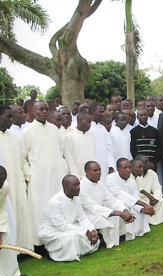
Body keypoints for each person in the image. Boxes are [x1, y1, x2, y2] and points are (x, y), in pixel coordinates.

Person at [20, 101, 65, 248]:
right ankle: (40, 243)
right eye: (41, 109)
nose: (44, 112)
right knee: (38, 208)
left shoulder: (54, 129)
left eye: (46, 109)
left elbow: (60, 151)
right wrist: (30, 175)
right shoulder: (28, 131)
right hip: (38, 178)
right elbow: (22, 158)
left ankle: (59, 238)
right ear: (33, 111)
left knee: (57, 206)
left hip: (56, 176)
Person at [39, 175, 100, 261]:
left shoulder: (76, 199)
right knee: (72, 238)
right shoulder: (54, 202)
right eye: (75, 185)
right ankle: (53, 254)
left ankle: (76, 251)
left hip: (70, 227)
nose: (79, 188)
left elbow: (82, 218)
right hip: (53, 231)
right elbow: (61, 225)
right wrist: (85, 231)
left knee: (91, 237)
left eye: (79, 184)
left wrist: (91, 229)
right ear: (66, 187)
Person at [0, 106, 33, 251]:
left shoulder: (14, 138)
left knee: (19, 214)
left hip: (17, 182)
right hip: (3, 186)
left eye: (12, 117)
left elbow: (21, 161)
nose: (11, 121)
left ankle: (21, 248)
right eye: (8, 117)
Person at [80, 161, 134, 247]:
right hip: (87, 216)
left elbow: (112, 200)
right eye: (95, 170)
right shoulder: (82, 186)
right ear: (87, 171)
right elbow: (93, 207)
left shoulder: (99, 184)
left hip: (100, 212)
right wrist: (119, 213)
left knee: (117, 213)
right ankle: (109, 242)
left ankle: (116, 241)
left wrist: (125, 210)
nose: (98, 173)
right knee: (107, 218)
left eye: (99, 170)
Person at [105, 158, 153, 239]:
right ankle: (123, 235)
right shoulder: (110, 178)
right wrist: (144, 204)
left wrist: (143, 209)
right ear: (118, 169)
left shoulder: (132, 181)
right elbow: (120, 194)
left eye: (129, 167)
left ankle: (135, 233)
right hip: (113, 205)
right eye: (125, 168)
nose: (128, 170)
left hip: (130, 204)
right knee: (125, 207)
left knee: (139, 211)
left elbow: (135, 198)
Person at [0, 166, 28, 276]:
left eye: (2, 181)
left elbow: (1, 209)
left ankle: (12, 274)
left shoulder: (5, 186)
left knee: (7, 237)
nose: (1, 185)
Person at [132, 155, 163, 225]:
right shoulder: (132, 175)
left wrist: (156, 198)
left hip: (149, 199)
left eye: (148, 161)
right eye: (145, 162)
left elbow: (157, 187)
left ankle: (154, 220)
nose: (148, 163)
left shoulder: (152, 173)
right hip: (137, 199)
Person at [64, 112, 97, 180]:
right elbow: (70, 159)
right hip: (79, 175)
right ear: (79, 120)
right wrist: (76, 177)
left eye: (90, 122)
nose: (89, 125)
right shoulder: (70, 137)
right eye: (88, 122)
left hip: (92, 176)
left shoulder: (90, 137)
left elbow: (93, 156)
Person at [87, 102, 114, 182]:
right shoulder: (88, 128)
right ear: (92, 112)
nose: (103, 114)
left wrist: (110, 165)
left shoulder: (103, 128)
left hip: (104, 165)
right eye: (101, 112)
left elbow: (109, 149)